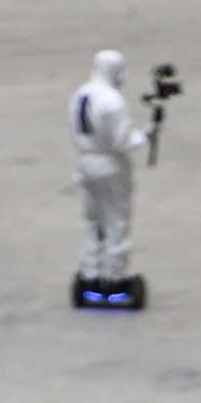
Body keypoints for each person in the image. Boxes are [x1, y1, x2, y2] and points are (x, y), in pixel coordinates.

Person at [71, 50, 149, 286]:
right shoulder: (112, 100)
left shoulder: (80, 94)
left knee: (92, 220)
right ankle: (116, 277)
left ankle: (89, 271)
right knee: (116, 220)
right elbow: (123, 141)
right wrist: (145, 135)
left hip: (86, 162)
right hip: (110, 165)